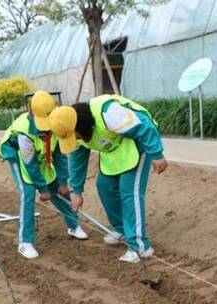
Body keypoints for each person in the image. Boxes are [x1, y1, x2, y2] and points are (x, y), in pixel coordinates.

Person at [49, 94, 168, 264]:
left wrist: (156, 153)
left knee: (129, 192)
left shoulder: (108, 113)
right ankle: (121, 229)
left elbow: (144, 125)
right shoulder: (76, 132)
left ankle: (140, 246)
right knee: (104, 187)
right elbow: (77, 160)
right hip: (113, 151)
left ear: (80, 125)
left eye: (73, 135)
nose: (74, 139)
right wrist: (76, 191)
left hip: (136, 143)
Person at [0, 91, 88, 259]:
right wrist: (42, 188)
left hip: (40, 156)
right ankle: (25, 242)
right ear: (32, 113)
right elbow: (30, 164)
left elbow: (60, 155)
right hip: (19, 156)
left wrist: (62, 182)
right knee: (28, 193)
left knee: (58, 190)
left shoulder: (57, 123)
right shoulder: (24, 131)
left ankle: (73, 225)